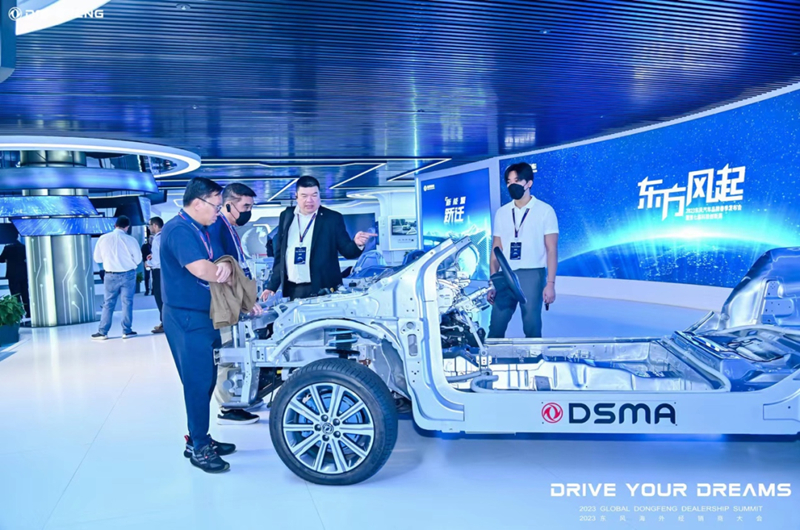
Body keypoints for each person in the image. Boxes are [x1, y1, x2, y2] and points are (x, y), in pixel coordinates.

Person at [160, 177, 240, 473]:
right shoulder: (178, 230)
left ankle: (199, 437)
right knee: (196, 382)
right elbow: (204, 269)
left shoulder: (201, 228)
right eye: (216, 206)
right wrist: (225, 269)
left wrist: (226, 266)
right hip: (186, 318)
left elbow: (223, 261)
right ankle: (199, 447)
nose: (219, 212)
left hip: (205, 315)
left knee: (206, 379)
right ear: (197, 203)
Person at [261, 175, 374, 301]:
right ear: (296, 196)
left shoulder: (332, 218)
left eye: (314, 195)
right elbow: (280, 256)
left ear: (320, 195)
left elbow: (347, 251)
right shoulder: (286, 216)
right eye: (304, 196)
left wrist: (357, 244)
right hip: (294, 289)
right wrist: (272, 286)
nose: (309, 200)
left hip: (323, 289)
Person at [208, 182, 261, 425]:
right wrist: (245, 301)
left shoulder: (229, 228)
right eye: (246, 207)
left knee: (239, 349)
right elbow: (224, 271)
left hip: (235, 301)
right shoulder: (218, 228)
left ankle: (241, 397)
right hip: (226, 302)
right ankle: (228, 407)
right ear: (229, 205)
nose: (249, 212)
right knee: (229, 352)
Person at [487, 162, 558, 339]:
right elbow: (496, 249)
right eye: (509, 182)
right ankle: (493, 355)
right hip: (505, 274)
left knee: (531, 324)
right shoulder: (502, 212)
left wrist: (550, 284)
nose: (512, 185)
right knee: (496, 325)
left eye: (517, 180)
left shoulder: (545, 211)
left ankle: (534, 355)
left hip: (532, 273)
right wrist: (492, 282)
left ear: (529, 183)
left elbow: (551, 249)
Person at [92, 216, 142, 340]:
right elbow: (138, 259)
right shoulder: (131, 240)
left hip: (110, 275)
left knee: (108, 303)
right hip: (128, 274)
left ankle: (102, 332)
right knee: (127, 302)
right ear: (127, 227)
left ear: (115, 225)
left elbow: (97, 258)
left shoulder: (103, 238)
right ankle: (127, 331)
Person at [0, 235, 29, 317]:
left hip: (12, 275)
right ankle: (29, 312)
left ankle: (19, 313)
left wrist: (7, 260)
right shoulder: (23, 247)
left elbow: (1, 259)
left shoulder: (7, 248)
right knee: (25, 294)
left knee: (15, 295)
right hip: (23, 274)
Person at [146, 216, 164, 333]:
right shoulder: (167, 236)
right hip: (166, 271)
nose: (149, 228)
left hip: (158, 271)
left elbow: (157, 261)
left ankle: (164, 323)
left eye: (150, 225)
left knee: (159, 296)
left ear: (155, 225)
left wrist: (148, 263)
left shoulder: (157, 239)